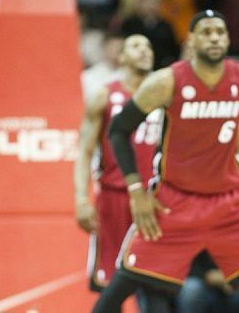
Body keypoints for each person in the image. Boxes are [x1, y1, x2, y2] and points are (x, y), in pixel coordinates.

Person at [93, 10, 239, 312]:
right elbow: (118, 129)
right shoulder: (166, 81)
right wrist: (137, 191)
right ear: (191, 40)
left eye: (220, 31)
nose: (215, 37)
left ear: (228, 38)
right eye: (206, 32)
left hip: (231, 202)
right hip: (173, 202)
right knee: (120, 286)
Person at [74, 34, 161, 292]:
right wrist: (81, 199)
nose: (144, 51)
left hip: (155, 199)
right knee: (110, 284)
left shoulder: (166, 96)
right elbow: (84, 152)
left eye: (148, 46)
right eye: (136, 46)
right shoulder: (104, 97)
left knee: (156, 282)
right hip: (115, 198)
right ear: (121, 57)